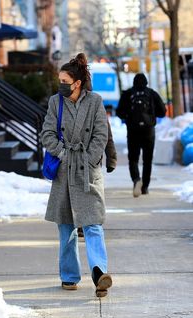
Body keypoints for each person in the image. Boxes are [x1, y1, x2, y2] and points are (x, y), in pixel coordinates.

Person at [41, 53, 112, 297]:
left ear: (77, 82)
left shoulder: (95, 101)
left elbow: (101, 135)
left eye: (64, 80)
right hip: (64, 172)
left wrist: (89, 159)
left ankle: (99, 273)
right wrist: (63, 154)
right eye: (59, 80)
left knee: (93, 225)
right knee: (66, 228)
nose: (60, 84)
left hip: (87, 173)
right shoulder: (55, 102)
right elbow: (47, 134)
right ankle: (69, 276)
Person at [116, 73, 166, 197]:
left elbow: (119, 112)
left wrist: (128, 117)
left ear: (133, 82)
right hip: (149, 131)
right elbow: (163, 112)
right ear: (146, 82)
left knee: (133, 159)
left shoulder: (128, 94)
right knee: (147, 160)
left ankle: (136, 180)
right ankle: (145, 187)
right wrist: (152, 116)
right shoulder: (151, 93)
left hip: (133, 131)